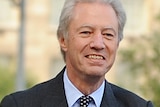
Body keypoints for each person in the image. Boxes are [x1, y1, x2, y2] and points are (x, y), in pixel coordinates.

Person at [0, 0, 154, 107]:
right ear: (63, 40)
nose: (98, 44)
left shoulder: (139, 105)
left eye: (108, 34)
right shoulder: (19, 104)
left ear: (118, 42)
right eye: (86, 32)